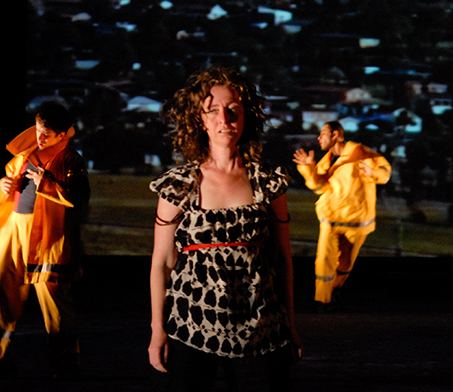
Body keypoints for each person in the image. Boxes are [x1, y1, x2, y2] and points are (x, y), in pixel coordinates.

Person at [148, 66, 302, 392]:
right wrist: (157, 330)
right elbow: (162, 262)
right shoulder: (179, 185)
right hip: (191, 324)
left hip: (260, 326)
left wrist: (290, 325)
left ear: (247, 116)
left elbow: (282, 259)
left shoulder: (267, 183)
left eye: (233, 110)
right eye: (213, 110)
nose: (225, 119)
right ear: (200, 119)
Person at [0, 101, 90, 380]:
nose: (40, 137)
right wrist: (3, 187)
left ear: (64, 134)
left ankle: (66, 364)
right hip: (14, 230)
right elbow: (4, 191)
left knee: (55, 303)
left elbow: (78, 197)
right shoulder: (24, 155)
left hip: (48, 238)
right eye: (39, 130)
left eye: (47, 134)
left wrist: (47, 182)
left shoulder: (71, 160)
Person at [293, 121, 391, 311]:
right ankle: (322, 299)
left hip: (357, 220)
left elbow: (385, 172)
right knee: (324, 259)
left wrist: (373, 172)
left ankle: (334, 290)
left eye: (323, 134)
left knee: (346, 261)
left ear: (335, 135)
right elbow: (319, 188)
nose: (319, 138)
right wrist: (308, 168)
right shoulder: (325, 160)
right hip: (331, 217)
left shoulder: (361, 152)